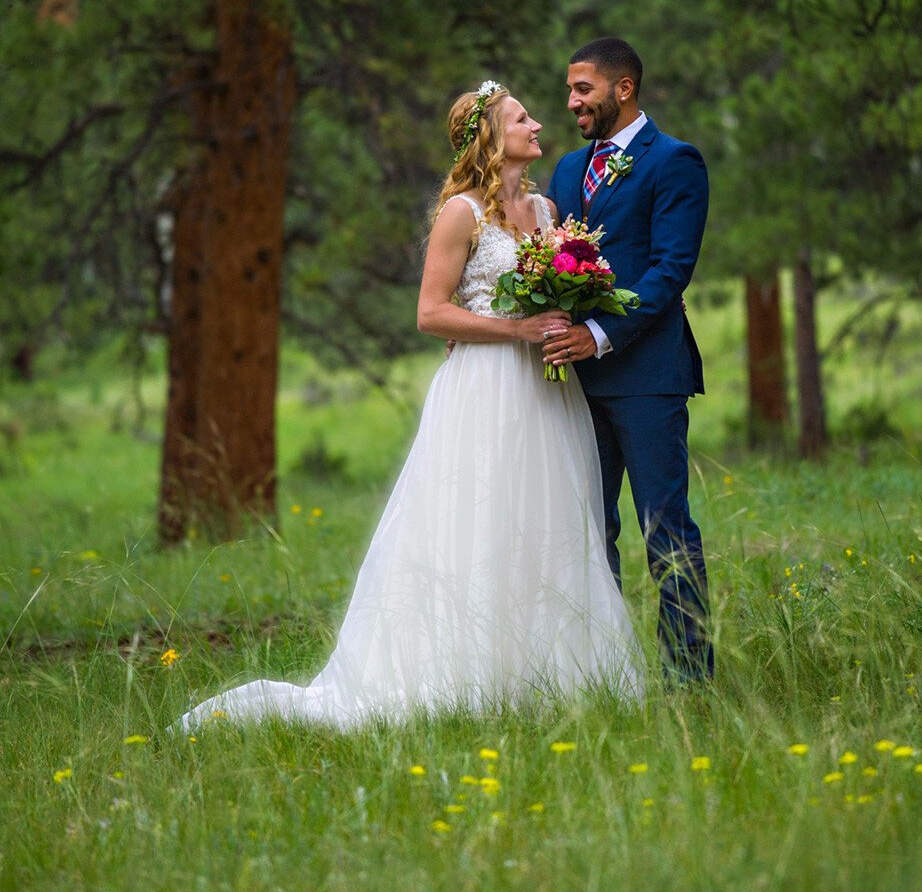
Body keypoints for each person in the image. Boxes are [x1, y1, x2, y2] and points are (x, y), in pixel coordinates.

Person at [175, 81, 641, 733]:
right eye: (521, 118)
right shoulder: (461, 213)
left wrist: (564, 308)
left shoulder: (544, 207)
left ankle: (545, 675)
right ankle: (464, 673)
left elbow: (541, 292)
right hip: (484, 388)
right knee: (478, 520)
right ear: (490, 137)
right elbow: (431, 313)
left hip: (542, 391)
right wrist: (516, 330)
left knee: (543, 519)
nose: (538, 124)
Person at [544, 38, 714, 683]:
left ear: (623, 88)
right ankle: (605, 673)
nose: (571, 102)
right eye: (569, 90)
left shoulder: (675, 162)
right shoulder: (565, 169)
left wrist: (599, 333)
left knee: (665, 528)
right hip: (570, 384)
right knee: (588, 531)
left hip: (646, 378)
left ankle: (689, 677)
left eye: (583, 89)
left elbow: (671, 270)